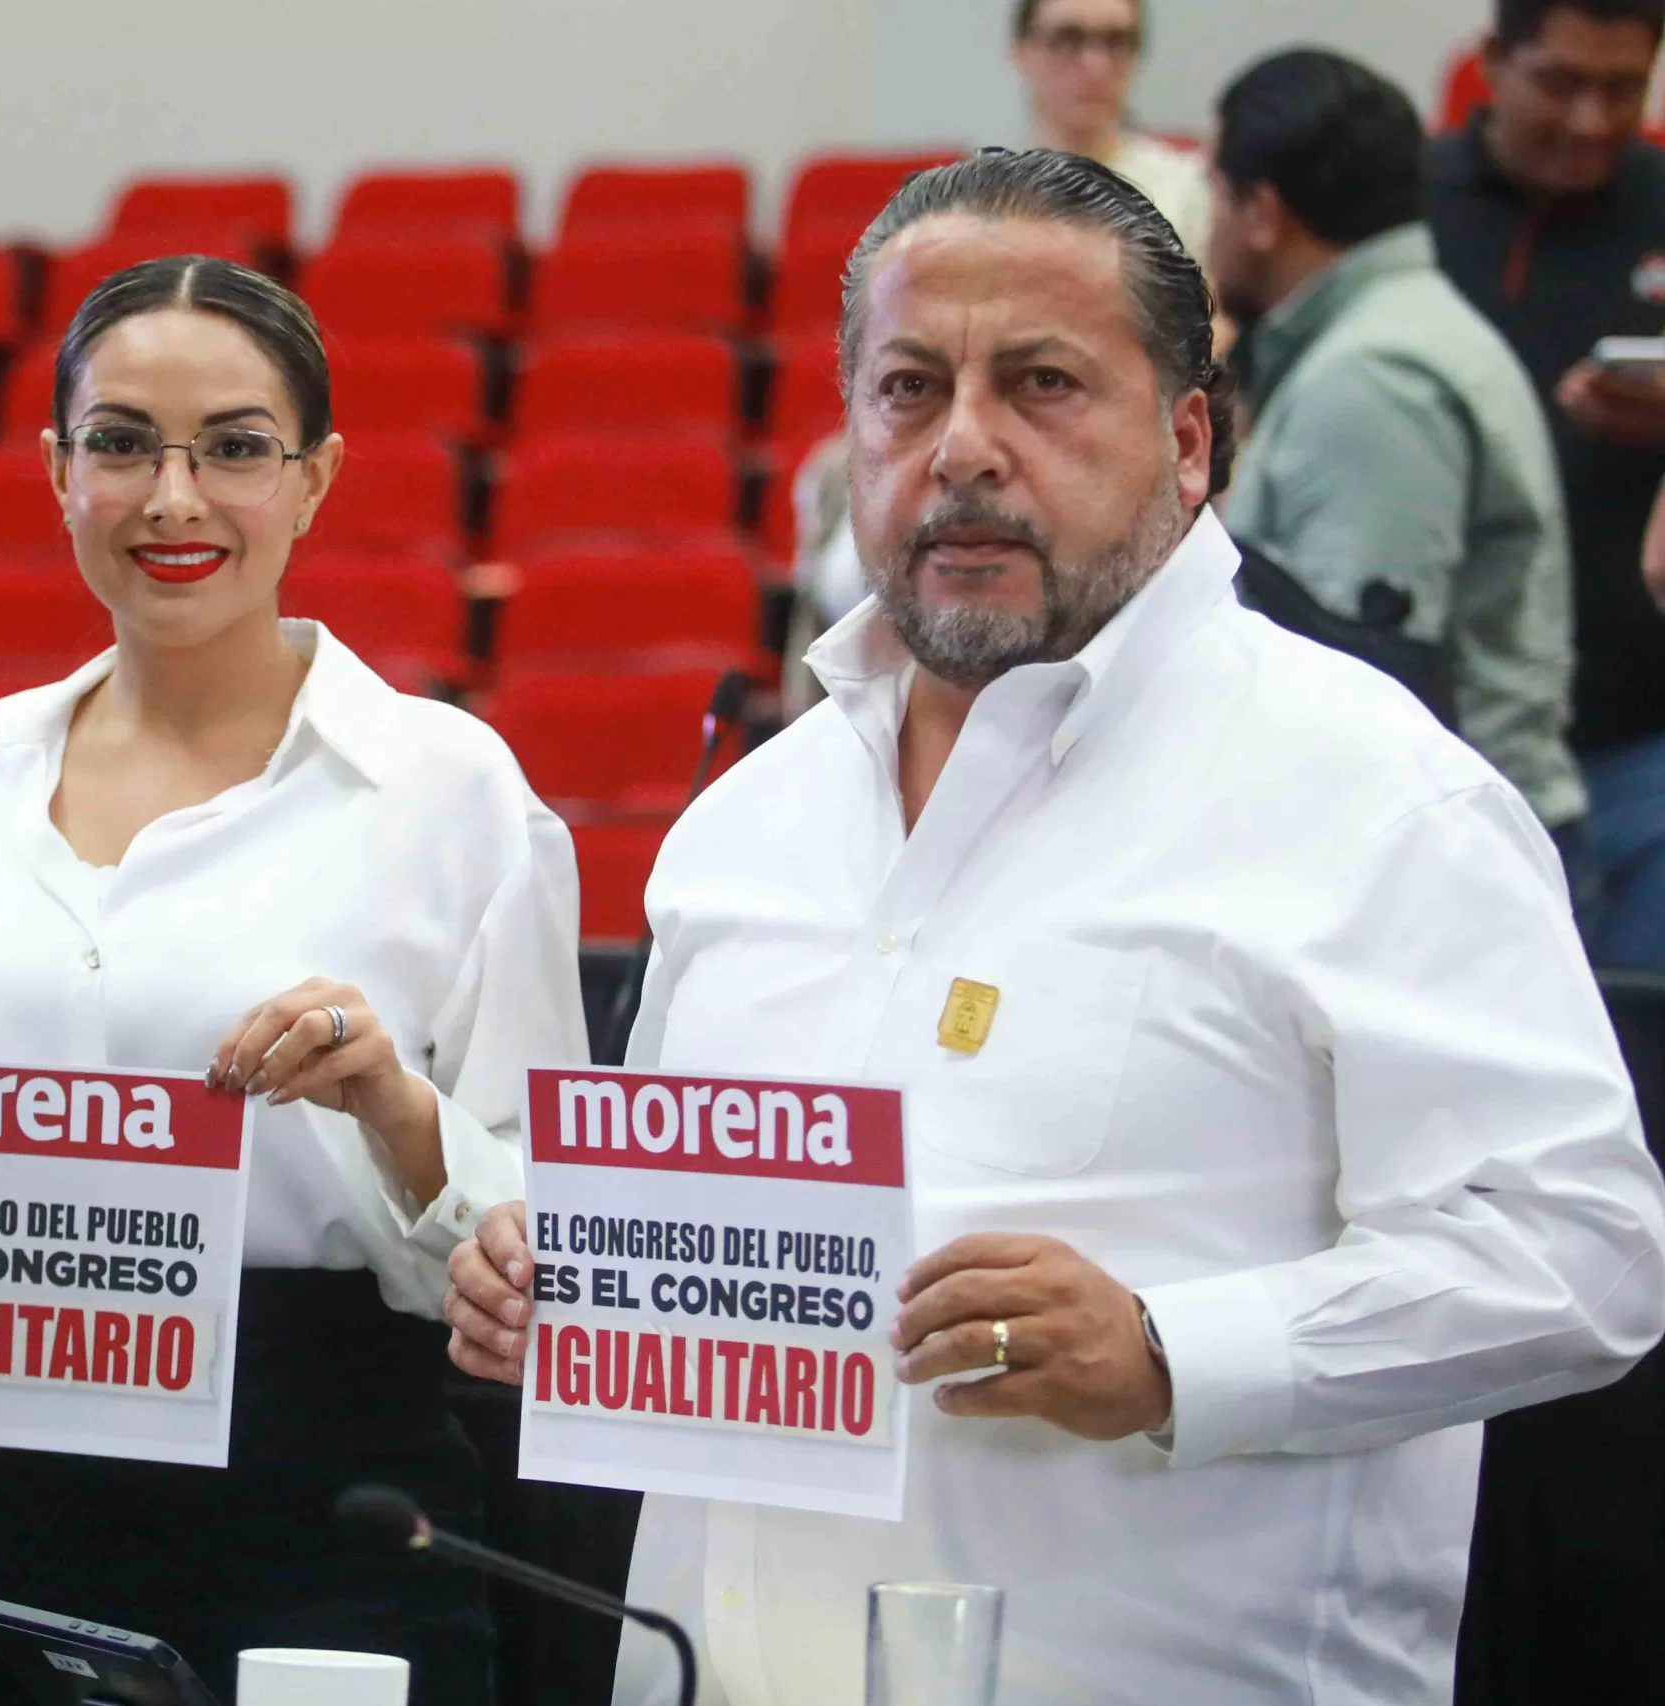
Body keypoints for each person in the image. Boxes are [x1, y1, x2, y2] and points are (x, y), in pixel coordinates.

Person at [443, 150, 1665, 1706]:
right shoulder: (745, 825)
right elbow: (702, 1259)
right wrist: (568, 1281)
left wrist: (1172, 1352)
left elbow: (1585, 1249)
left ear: (1189, 442)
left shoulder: (1376, 795)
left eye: (1042, 384)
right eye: (908, 389)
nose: (963, 447)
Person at [0, 257, 588, 1706]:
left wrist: (394, 1104)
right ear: (57, 471)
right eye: (122, 443)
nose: (173, 499)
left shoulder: (448, 787)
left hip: (313, 1506)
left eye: (236, 448)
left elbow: (546, 1248)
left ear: (315, 480)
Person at [1210, 49, 1586, 842]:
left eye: (1216, 195)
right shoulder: (1386, 336)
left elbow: (1360, 681)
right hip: (1446, 831)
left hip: (1441, 848)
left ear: (1262, 212)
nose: (1208, 229)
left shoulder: (1372, 378)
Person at [1427, 0, 1665, 965]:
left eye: (1622, 89)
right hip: (1442, 732)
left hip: (1641, 729)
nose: (1590, 120)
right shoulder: (1404, 200)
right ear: (1494, 62)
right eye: (1561, 84)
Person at [1011, 0, 1211, 259]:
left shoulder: (1190, 194)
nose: (1096, 66)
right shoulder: (982, 198)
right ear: (1021, 52)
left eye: (1116, 42)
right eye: (1067, 39)